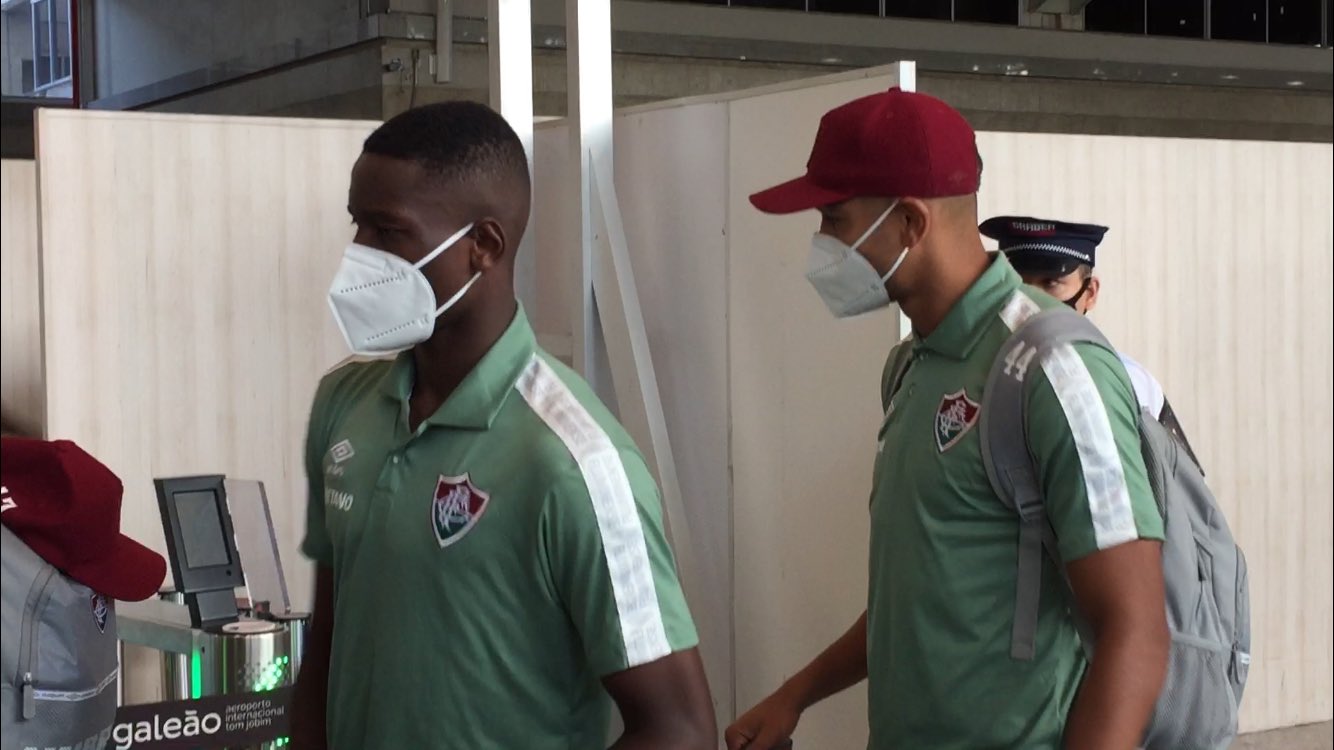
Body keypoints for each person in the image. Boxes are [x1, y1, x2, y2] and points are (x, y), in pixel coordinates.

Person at [724, 88, 1169, 750]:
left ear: (910, 222)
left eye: (834, 217)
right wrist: (796, 695)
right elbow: (924, 598)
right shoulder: (910, 366)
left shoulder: (1053, 368)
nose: (822, 243)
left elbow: (1135, 630)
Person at [291, 102, 716, 750]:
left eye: (388, 231)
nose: (359, 256)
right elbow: (328, 641)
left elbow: (680, 730)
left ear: (483, 247)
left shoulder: (574, 465)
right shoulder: (343, 404)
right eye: (358, 225)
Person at [980, 215, 1204, 470]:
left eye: (1050, 283)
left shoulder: (1130, 381)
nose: (1032, 299)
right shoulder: (977, 377)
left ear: (1090, 293)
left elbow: (1178, 480)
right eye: (1020, 282)